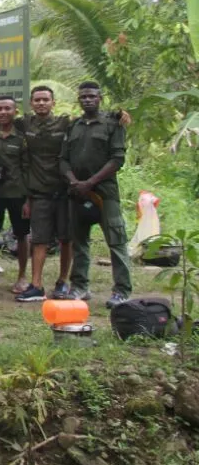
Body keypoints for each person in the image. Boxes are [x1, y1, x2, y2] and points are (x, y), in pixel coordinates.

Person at [61, 81, 132, 307]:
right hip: (77, 193)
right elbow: (62, 160)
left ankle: (122, 290)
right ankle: (80, 287)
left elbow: (117, 159)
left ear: (100, 97)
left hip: (104, 193)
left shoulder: (113, 123)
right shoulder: (74, 126)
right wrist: (74, 181)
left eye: (92, 96)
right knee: (79, 243)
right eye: (83, 97)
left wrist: (90, 182)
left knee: (116, 241)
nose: (87, 100)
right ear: (78, 100)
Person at [15, 85, 73, 302]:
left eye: (45, 100)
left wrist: (117, 116)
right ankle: (36, 284)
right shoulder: (25, 123)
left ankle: (63, 282)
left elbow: (90, 120)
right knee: (39, 239)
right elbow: (0, 123)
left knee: (66, 239)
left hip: (64, 190)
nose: (41, 103)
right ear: (31, 103)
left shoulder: (65, 123)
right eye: (37, 100)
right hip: (39, 192)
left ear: (53, 103)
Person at [0, 96, 30, 296]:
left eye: (7, 109)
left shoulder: (23, 136)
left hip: (17, 193)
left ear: (15, 111)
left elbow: (29, 168)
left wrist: (30, 198)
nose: (3, 112)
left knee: (21, 234)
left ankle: (22, 276)